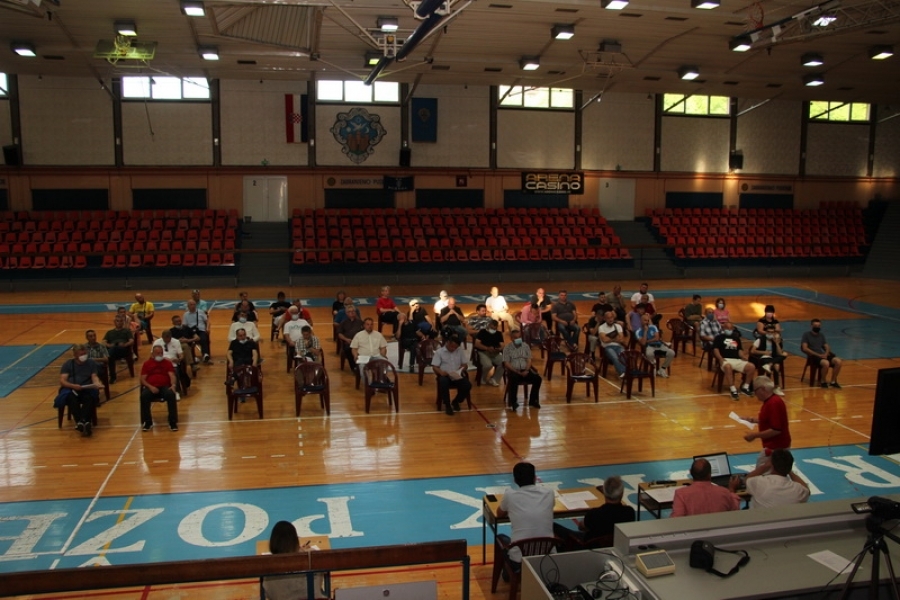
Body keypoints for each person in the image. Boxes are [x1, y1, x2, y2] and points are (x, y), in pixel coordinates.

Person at [496, 462, 554, 567]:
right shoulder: (549, 493)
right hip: (548, 558)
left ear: (515, 480)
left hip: (519, 560)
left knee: (500, 538)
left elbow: (499, 514)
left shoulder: (510, 495)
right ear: (535, 478)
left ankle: (507, 572)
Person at [553, 476, 635, 549]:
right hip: (617, 546)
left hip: (591, 546)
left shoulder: (594, 514)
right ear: (622, 493)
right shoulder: (629, 512)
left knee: (554, 526)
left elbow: (581, 527)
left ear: (604, 492)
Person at [262, 520, 324, 600]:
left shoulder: (268, 565)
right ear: (295, 540)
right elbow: (319, 581)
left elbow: (269, 593)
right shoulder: (312, 556)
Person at [741, 375, 792, 470]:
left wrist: (754, 435)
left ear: (763, 389)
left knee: (761, 473)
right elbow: (770, 421)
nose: (755, 394)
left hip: (776, 448)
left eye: (755, 390)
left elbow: (776, 430)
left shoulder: (773, 403)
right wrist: (752, 420)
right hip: (777, 447)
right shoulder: (772, 401)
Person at [671, 458, 741, 517]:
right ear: (710, 474)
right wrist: (732, 490)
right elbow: (735, 511)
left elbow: (677, 519)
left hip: (694, 529)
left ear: (691, 473)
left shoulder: (681, 494)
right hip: (720, 528)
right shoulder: (725, 492)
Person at [58, 344, 102, 437]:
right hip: (72, 389)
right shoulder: (68, 364)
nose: (84, 356)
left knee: (89, 398)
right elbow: (62, 380)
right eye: (81, 354)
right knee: (71, 399)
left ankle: (83, 421)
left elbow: (94, 376)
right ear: (75, 355)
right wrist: (73, 386)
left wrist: (97, 383)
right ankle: (82, 421)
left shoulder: (91, 363)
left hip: (86, 389)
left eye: (85, 353)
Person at [745, 449, 810, 509]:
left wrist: (765, 466)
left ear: (771, 464)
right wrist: (789, 471)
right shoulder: (798, 489)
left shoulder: (759, 482)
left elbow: (747, 479)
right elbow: (806, 489)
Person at [139, 345, 179, 432]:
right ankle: (148, 422)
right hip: (151, 387)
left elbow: (172, 375)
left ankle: (172, 422)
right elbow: (142, 379)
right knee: (144, 396)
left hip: (164, 387)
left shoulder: (167, 363)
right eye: (158, 353)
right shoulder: (147, 364)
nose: (160, 355)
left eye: (161, 353)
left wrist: (173, 385)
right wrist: (150, 387)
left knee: (171, 394)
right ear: (153, 354)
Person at [713, 320, 756, 400]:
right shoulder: (718, 338)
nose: (729, 330)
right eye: (727, 328)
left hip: (737, 360)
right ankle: (733, 390)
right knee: (728, 367)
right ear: (723, 328)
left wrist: (743, 356)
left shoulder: (736, 338)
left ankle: (745, 387)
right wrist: (720, 359)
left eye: (730, 329)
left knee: (751, 366)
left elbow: (739, 350)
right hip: (725, 360)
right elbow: (716, 349)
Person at [502, 329, 543, 410]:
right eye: (515, 337)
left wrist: (526, 370)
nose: (518, 339)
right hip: (514, 371)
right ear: (511, 338)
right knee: (513, 378)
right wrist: (517, 372)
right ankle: (513, 402)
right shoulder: (507, 348)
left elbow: (529, 360)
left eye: (519, 337)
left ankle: (533, 400)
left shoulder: (525, 346)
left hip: (525, 370)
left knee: (537, 379)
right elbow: (506, 363)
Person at [431, 335, 472, 416]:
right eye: (452, 347)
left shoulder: (459, 351)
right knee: (443, 382)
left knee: (467, 385)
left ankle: (456, 401)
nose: (453, 349)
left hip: (457, 375)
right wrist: (440, 372)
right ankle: (447, 404)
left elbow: (465, 364)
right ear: (448, 343)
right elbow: (435, 366)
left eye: (455, 347)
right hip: (445, 375)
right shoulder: (439, 352)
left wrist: (463, 368)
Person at [800, 318, 843, 388]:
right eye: (815, 325)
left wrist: (826, 353)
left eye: (819, 326)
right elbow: (805, 348)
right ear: (811, 326)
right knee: (826, 363)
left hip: (822, 354)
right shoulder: (806, 335)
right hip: (813, 356)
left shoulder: (821, 335)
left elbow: (827, 346)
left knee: (838, 361)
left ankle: (833, 381)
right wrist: (818, 355)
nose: (817, 327)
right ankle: (823, 381)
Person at [636, 312, 674, 378]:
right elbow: (643, 343)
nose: (647, 322)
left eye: (648, 320)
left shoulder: (653, 327)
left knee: (671, 353)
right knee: (649, 354)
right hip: (650, 347)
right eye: (645, 320)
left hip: (660, 346)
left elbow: (657, 338)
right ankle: (653, 367)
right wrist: (645, 331)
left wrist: (647, 341)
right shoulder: (638, 331)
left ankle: (662, 369)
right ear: (641, 321)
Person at [103, 314, 135, 384]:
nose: (119, 322)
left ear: (123, 322)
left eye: (121, 321)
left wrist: (125, 344)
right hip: (112, 349)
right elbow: (104, 342)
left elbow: (131, 341)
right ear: (114, 322)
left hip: (123, 350)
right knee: (111, 354)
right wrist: (109, 345)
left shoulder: (127, 331)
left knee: (110, 354)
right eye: (117, 321)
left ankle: (112, 377)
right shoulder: (109, 332)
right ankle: (112, 377)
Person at [598, 311, 628, 378]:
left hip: (618, 346)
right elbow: (604, 340)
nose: (610, 319)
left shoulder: (618, 326)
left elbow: (621, 339)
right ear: (605, 319)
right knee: (615, 357)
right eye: (608, 318)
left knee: (623, 356)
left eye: (611, 317)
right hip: (607, 347)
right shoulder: (601, 327)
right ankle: (623, 373)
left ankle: (625, 373)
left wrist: (609, 338)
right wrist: (615, 339)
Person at [475, 319, 505, 386]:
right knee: (488, 365)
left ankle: (494, 379)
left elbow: (502, 345)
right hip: (484, 352)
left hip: (495, 353)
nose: (493, 330)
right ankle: (483, 378)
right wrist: (487, 348)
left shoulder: (498, 334)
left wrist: (499, 349)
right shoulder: (482, 332)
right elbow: (477, 344)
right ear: (488, 326)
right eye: (492, 328)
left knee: (504, 363)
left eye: (495, 328)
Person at [337, 306, 365, 371]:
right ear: (346, 313)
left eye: (353, 311)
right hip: (349, 342)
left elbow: (365, 332)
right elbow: (339, 333)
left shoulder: (360, 322)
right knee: (348, 349)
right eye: (349, 312)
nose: (351, 313)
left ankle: (363, 365)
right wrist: (346, 339)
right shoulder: (343, 323)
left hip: (359, 342)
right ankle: (354, 367)